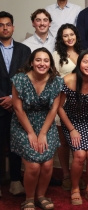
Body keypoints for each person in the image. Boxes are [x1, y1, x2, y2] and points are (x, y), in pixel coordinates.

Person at [11, 47, 63, 210]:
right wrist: (31, 133)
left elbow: (54, 109)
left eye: (46, 60)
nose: (42, 63)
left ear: (50, 63)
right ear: (32, 62)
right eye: (38, 60)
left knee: (47, 165)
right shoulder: (19, 79)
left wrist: (42, 133)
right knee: (33, 165)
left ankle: (41, 196)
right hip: (23, 123)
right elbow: (18, 109)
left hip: (46, 124)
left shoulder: (56, 81)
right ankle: (29, 199)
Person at [58, 50, 88, 205]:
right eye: (85, 61)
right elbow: (59, 107)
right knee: (79, 155)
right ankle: (75, 188)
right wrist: (71, 130)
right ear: (79, 64)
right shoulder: (68, 80)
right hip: (71, 121)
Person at [0, 11, 31, 197]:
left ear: (13, 27)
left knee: (16, 146)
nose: (5, 28)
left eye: (8, 24)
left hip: (18, 106)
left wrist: (14, 98)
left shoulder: (24, 50)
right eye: (1, 24)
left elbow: (28, 78)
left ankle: (15, 181)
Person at [52, 24, 84, 191]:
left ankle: (76, 176)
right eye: (65, 35)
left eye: (72, 34)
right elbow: (52, 80)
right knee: (64, 142)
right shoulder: (57, 55)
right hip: (62, 102)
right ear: (61, 38)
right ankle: (65, 174)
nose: (69, 38)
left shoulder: (82, 54)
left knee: (76, 141)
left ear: (76, 36)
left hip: (81, 103)